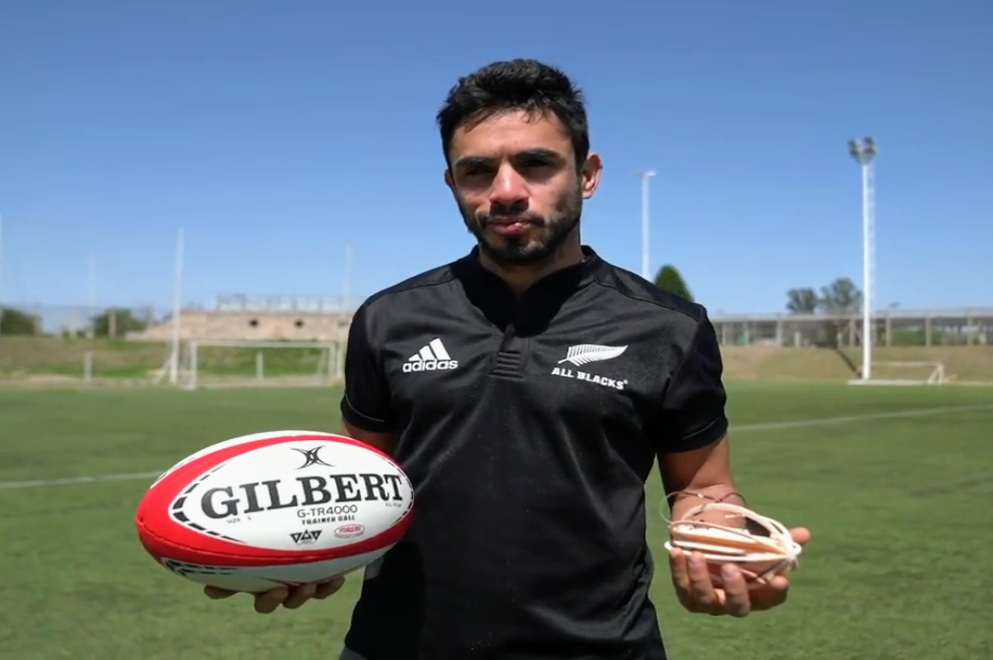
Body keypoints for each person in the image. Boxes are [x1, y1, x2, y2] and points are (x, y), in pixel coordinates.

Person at [206, 58, 811, 659]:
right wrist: (305, 553)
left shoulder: (668, 327)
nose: (505, 192)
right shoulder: (388, 319)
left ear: (588, 175)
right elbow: (362, 481)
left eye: (536, 164)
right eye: (477, 171)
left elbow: (704, 485)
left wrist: (719, 542)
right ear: (452, 184)